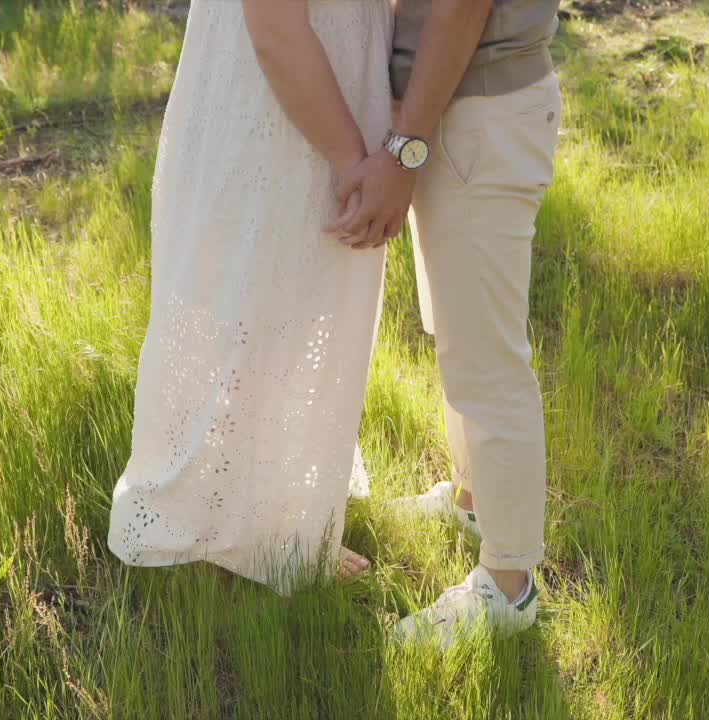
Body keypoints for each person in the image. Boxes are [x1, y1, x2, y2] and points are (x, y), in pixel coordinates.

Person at [107, 0, 394, 593]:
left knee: (294, 298)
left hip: (330, 78)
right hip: (284, 102)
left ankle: (276, 498)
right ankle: (259, 528)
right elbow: (277, 30)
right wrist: (350, 160)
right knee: (262, 296)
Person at [333, 0, 563, 643]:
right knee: (460, 338)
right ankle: (473, 503)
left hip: (477, 108)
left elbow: (463, 8)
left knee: (488, 360)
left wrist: (405, 146)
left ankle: (508, 586)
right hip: (454, 106)